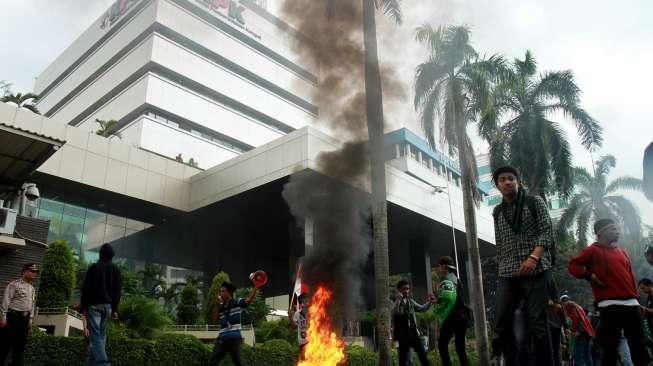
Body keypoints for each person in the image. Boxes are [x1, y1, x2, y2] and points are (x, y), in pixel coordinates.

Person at [491, 166, 555, 366]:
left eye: (511, 178)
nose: (507, 182)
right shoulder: (498, 211)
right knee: (501, 322)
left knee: (538, 323)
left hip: (536, 270)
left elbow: (547, 231)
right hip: (508, 272)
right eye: (502, 180)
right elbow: (500, 241)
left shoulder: (534, 202)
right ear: (498, 186)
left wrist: (533, 257)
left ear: (518, 181)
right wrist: (501, 262)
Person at [568, 218, 650, 365]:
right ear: (600, 233)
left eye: (617, 229)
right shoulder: (592, 250)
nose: (617, 232)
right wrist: (590, 275)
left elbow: (631, 277)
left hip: (632, 305)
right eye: (613, 229)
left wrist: (637, 301)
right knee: (610, 347)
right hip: (609, 305)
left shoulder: (623, 253)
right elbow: (573, 265)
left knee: (639, 346)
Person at [80, 243, 122, 366]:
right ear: (112, 255)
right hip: (108, 307)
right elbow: (117, 291)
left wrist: (83, 307)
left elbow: (86, 289)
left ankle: (103, 363)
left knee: (95, 336)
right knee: (102, 337)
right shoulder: (116, 270)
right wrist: (114, 309)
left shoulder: (94, 268)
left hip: (94, 306)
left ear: (100, 254)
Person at [210, 281, 259, 366]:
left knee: (239, 363)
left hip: (234, 338)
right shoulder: (220, 307)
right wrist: (217, 305)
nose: (221, 293)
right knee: (213, 362)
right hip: (222, 338)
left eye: (223, 291)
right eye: (220, 291)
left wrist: (256, 287)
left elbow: (249, 301)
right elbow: (214, 320)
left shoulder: (237, 302)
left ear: (229, 293)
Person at [0, 263, 38, 366]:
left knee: (19, 349)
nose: (34, 274)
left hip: (24, 320)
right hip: (13, 318)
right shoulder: (14, 284)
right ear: (25, 271)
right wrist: (3, 319)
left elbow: (32, 305)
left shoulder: (32, 288)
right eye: (32, 271)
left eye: (35, 272)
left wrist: (30, 320)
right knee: (5, 347)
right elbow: (6, 301)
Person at [392, 279, 436, 366]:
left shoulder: (410, 302)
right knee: (403, 360)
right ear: (399, 290)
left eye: (408, 289)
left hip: (413, 333)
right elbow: (395, 312)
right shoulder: (396, 302)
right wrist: (398, 299)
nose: (406, 291)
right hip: (402, 335)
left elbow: (422, 308)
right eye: (404, 289)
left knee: (422, 354)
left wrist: (430, 302)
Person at [434, 256, 469, 366]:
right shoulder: (456, 279)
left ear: (444, 267)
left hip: (452, 317)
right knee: (460, 349)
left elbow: (449, 297)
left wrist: (437, 300)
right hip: (462, 317)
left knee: (442, 345)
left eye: (439, 266)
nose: (439, 269)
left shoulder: (447, 280)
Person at [560, 295, 595, 366]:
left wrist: (574, 331)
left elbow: (575, 319)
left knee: (578, 355)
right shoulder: (577, 306)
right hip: (587, 333)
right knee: (587, 355)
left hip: (581, 333)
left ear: (563, 302)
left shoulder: (569, 306)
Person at [289, 293, 309, 358]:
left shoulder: (314, 311)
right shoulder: (297, 313)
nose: (305, 303)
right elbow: (293, 327)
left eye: (306, 301)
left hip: (313, 342)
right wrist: (290, 317)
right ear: (301, 303)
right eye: (302, 301)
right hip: (302, 342)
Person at [638, 278, 653, 356]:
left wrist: (644, 308)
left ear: (649, 285)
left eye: (643, 288)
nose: (643, 291)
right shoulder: (649, 297)